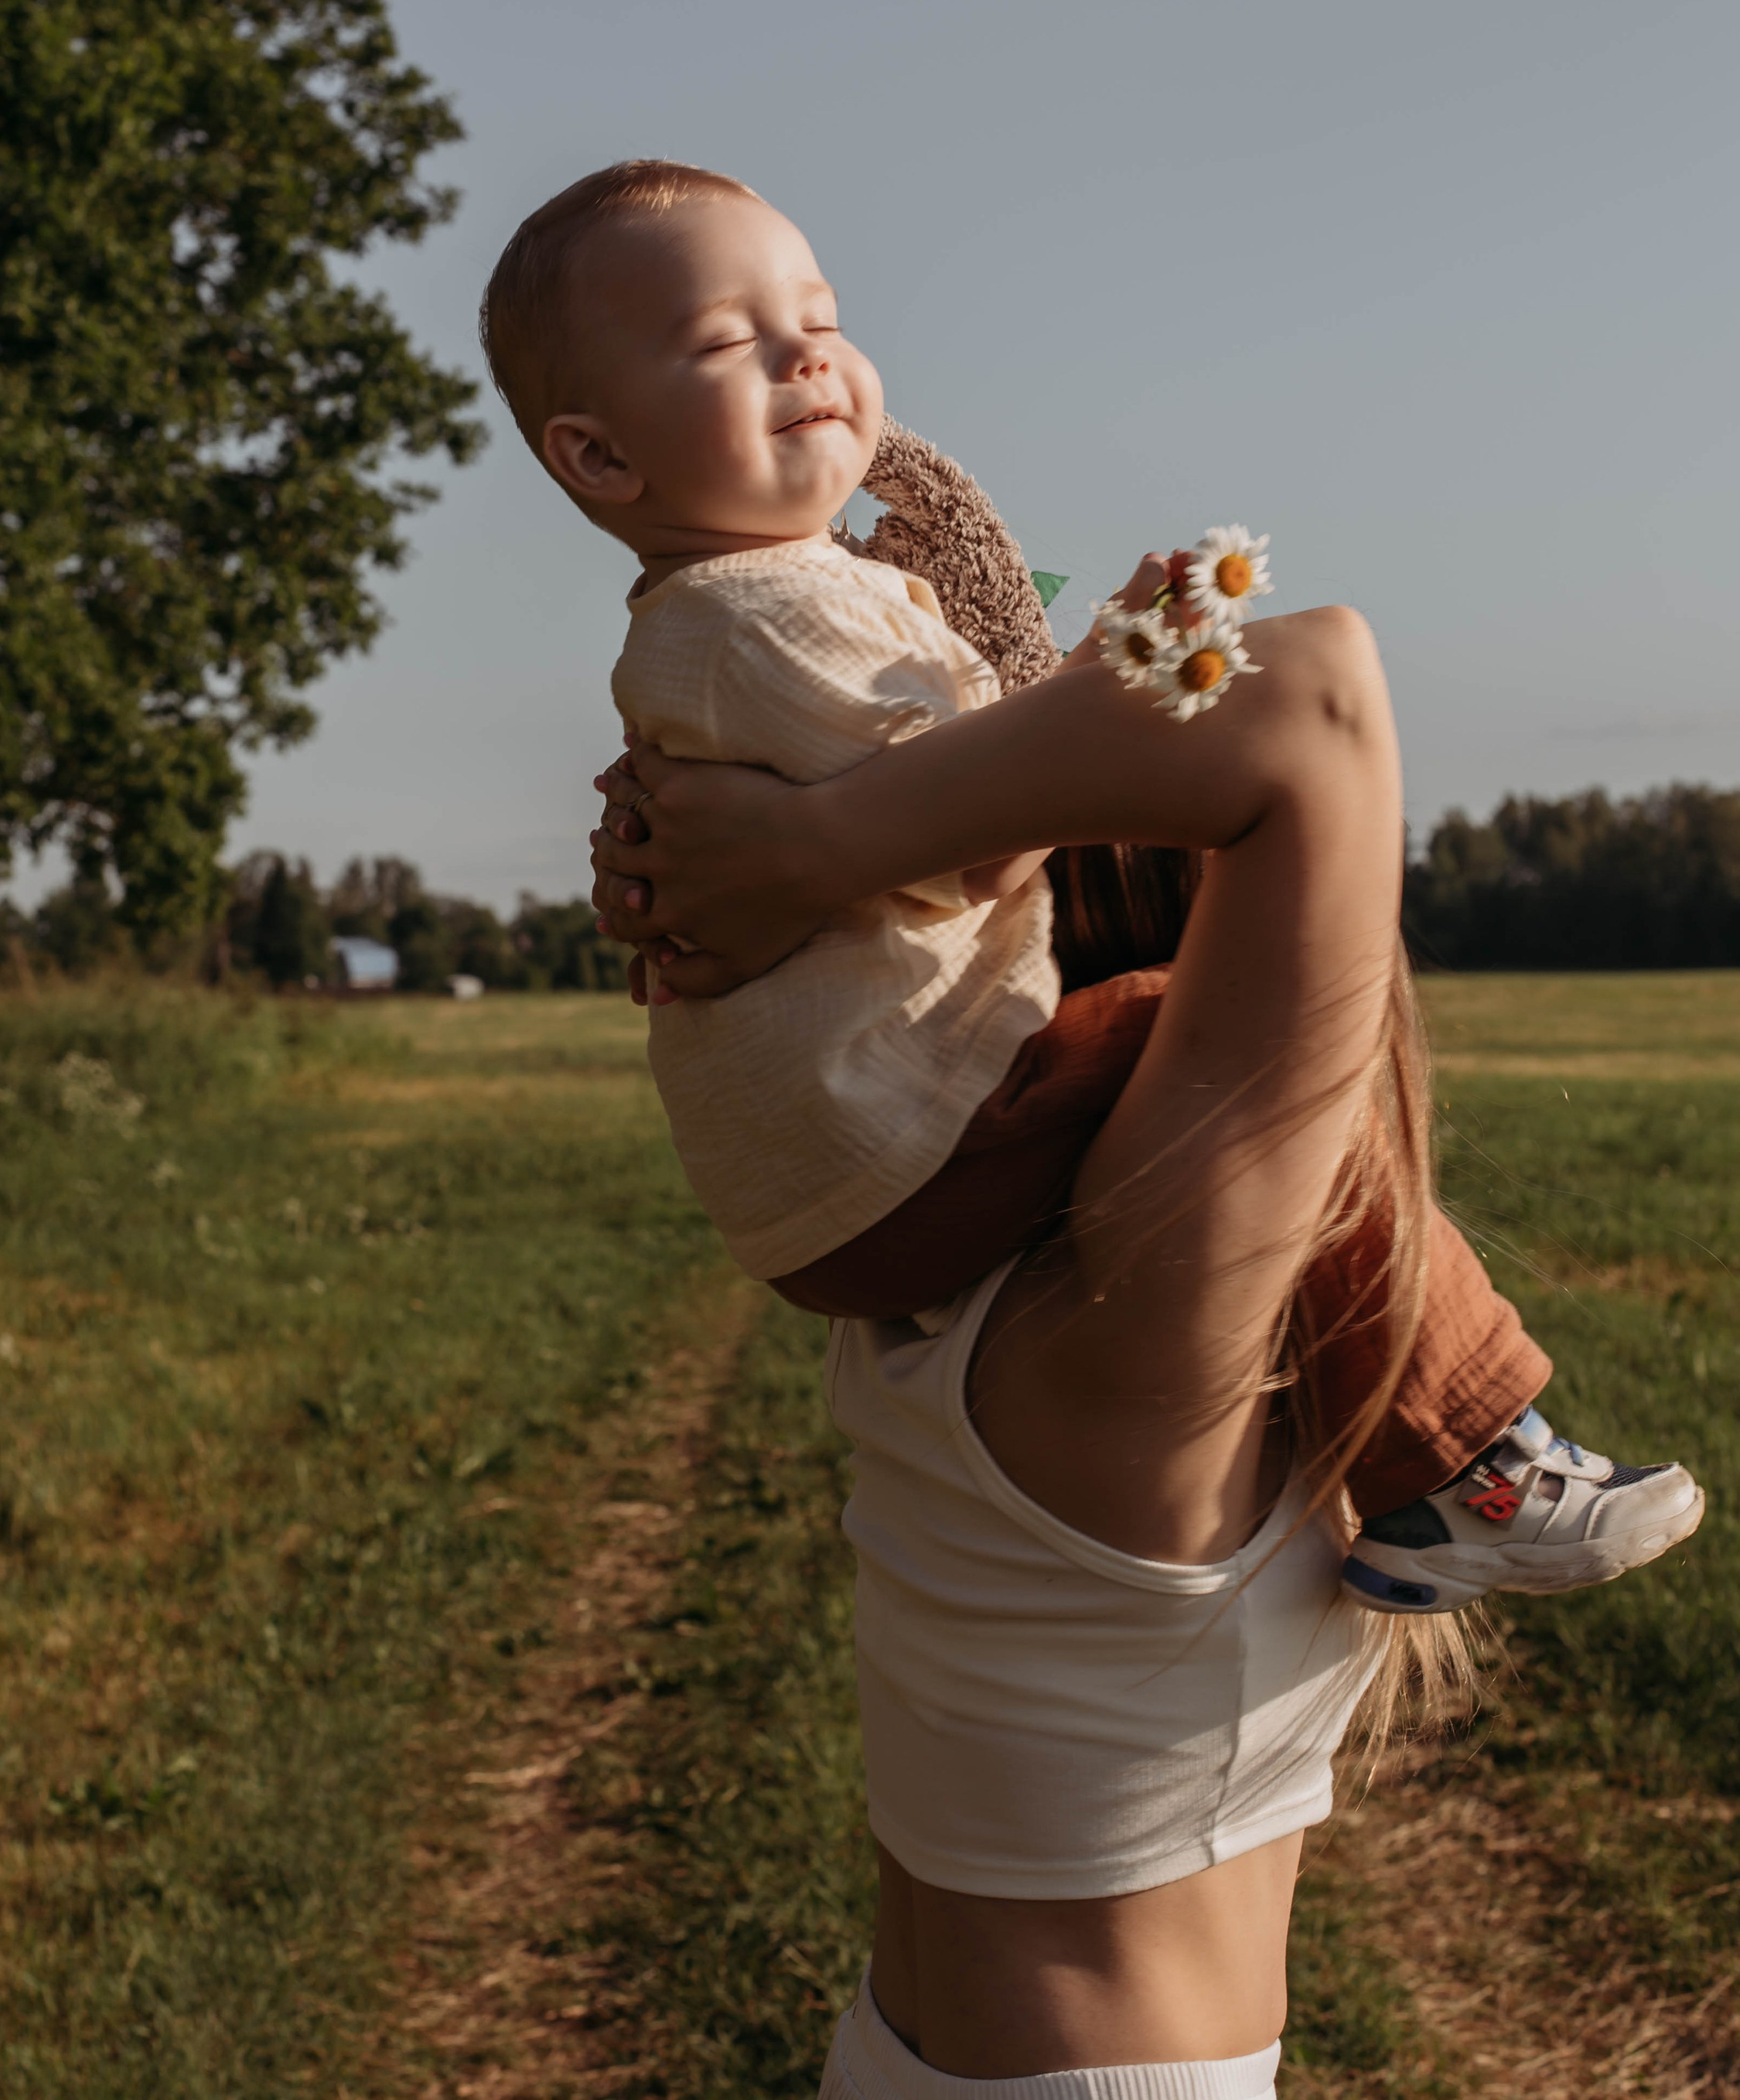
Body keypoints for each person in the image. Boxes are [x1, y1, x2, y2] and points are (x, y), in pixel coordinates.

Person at [482, 155, 1697, 1616]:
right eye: (729, 341)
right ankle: (1466, 1463)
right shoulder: (765, 619)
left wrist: (1073, 693)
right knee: (1250, 1067)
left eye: (819, 312)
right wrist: (1104, 702)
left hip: (863, 1161)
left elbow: (968, 777)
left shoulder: (770, 609)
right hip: (903, 1137)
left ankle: (1438, 1450)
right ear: (602, 460)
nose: (806, 351)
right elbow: (989, 828)